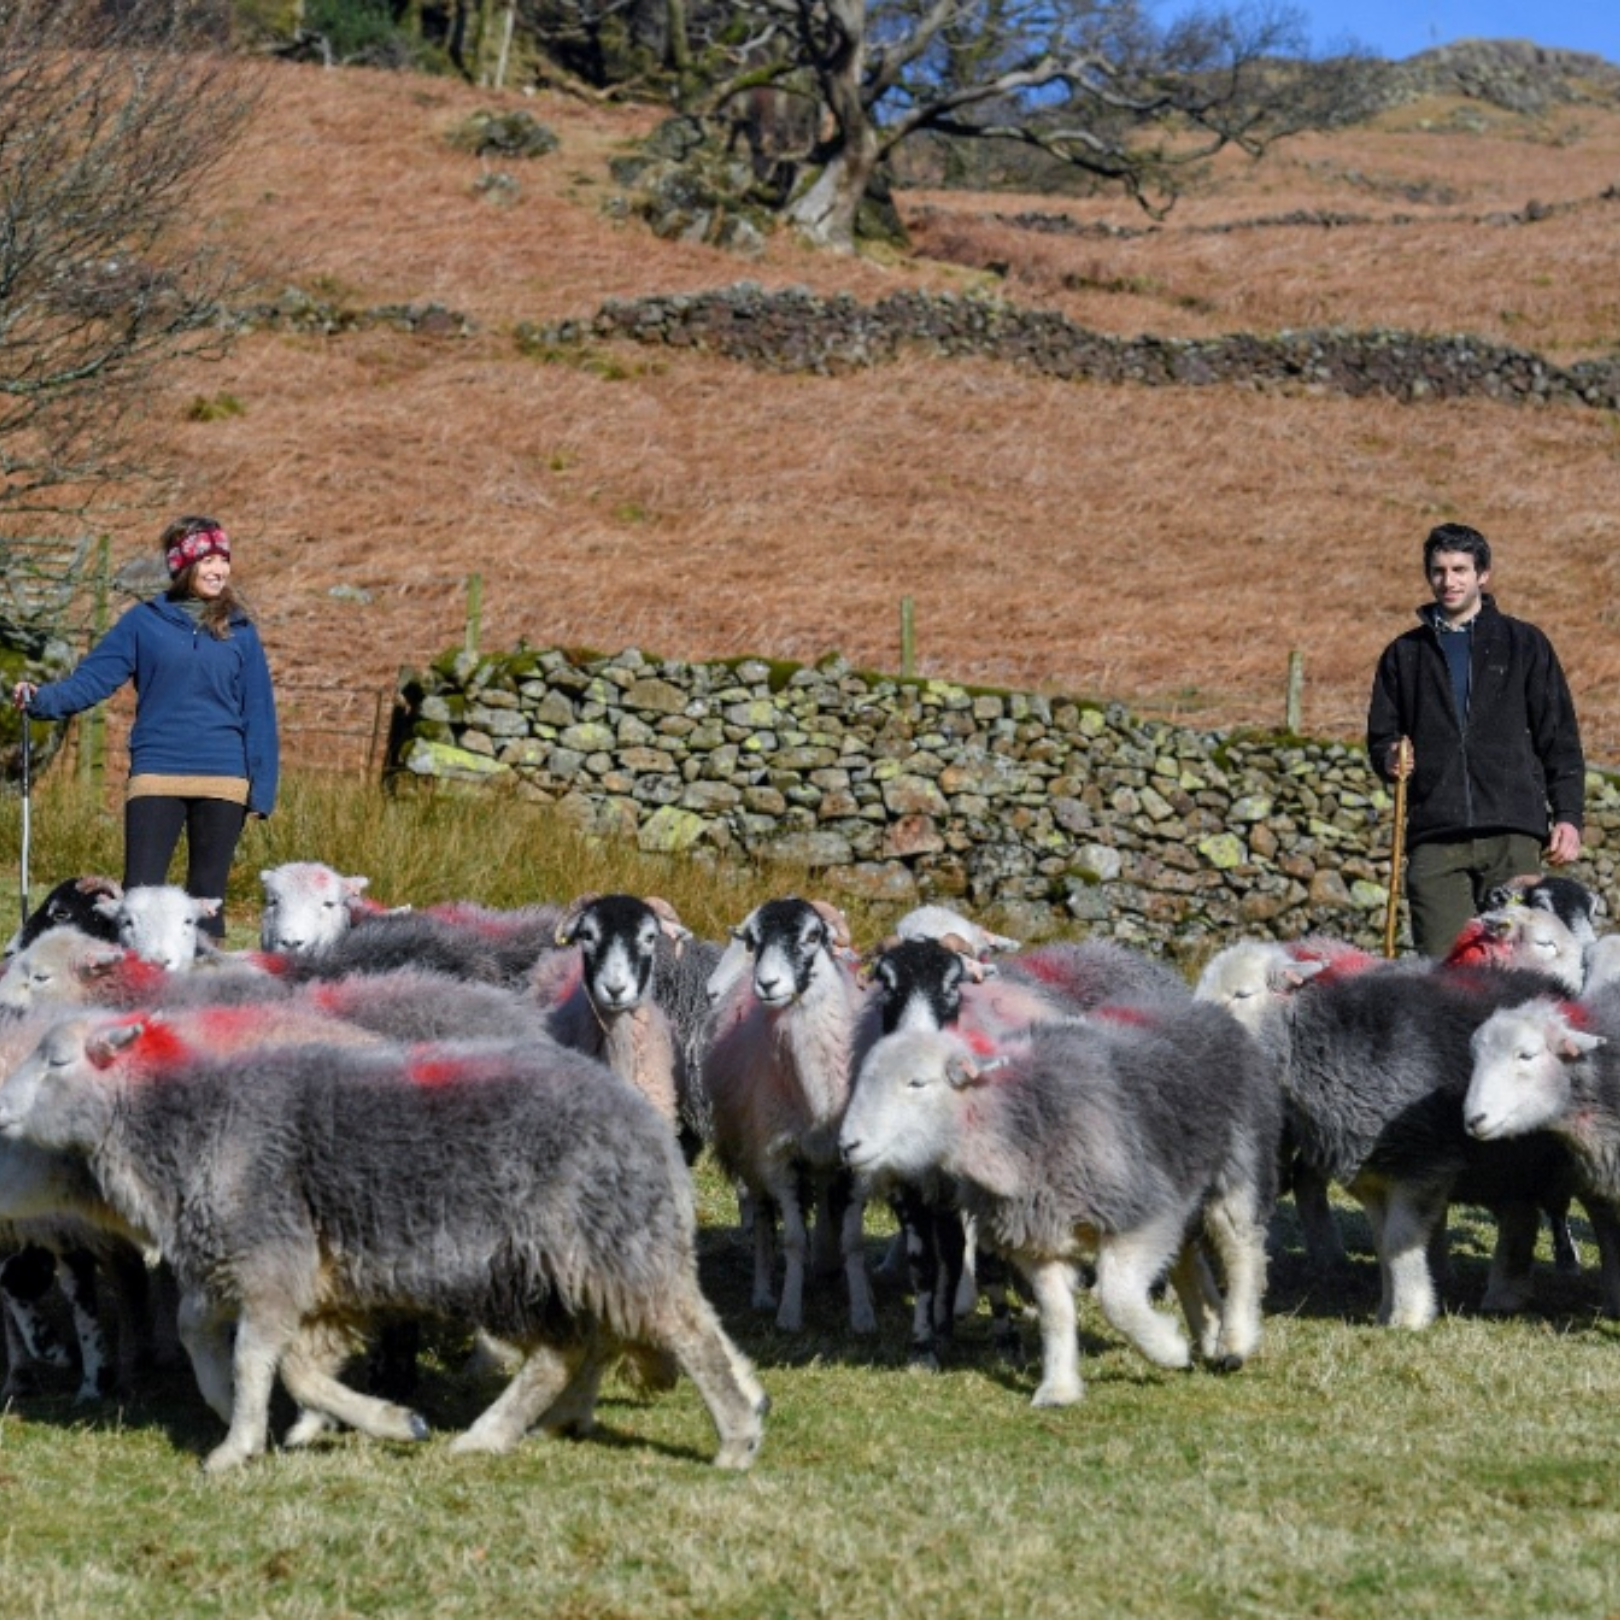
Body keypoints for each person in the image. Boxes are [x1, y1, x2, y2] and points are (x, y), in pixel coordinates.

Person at [10, 515, 278, 941]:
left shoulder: (241, 631)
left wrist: (262, 789)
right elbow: (92, 681)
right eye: (207, 560)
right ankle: (133, 988)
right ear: (184, 566)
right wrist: (42, 700)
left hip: (224, 778)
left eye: (223, 561)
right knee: (139, 897)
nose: (219, 570)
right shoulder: (143, 622)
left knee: (208, 898)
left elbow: (259, 712)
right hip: (157, 772)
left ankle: (199, 993)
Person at [1367, 521, 1584, 959]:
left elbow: (1558, 735)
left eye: (1460, 570)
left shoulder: (1524, 644)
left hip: (1512, 834)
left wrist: (1568, 815)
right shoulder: (1404, 654)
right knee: (1446, 977)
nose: (1449, 581)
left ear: (1483, 574)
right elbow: (1381, 735)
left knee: (1521, 966)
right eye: (1439, 570)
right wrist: (1390, 755)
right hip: (1435, 837)